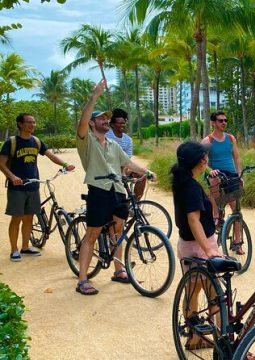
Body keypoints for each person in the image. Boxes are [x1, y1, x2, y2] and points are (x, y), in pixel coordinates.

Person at [75, 79, 155, 295]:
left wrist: (146, 172)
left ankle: (119, 269)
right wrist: (94, 97)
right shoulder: (86, 141)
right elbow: (82, 122)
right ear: (92, 123)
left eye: (107, 118)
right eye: (101, 117)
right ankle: (83, 279)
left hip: (117, 191)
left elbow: (128, 163)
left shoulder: (113, 145)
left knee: (118, 231)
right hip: (99, 190)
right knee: (92, 234)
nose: (106, 120)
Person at [0, 113, 75, 262]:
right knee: (17, 218)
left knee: (29, 218)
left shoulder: (36, 142)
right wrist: (12, 177)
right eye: (29, 122)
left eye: (34, 122)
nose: (32, 125)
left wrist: (65, 165)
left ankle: (25, 247)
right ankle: (14, 250)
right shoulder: (12, 142)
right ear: (20, 124)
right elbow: (1, 163)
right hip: (17, 187)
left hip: (33, 185)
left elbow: (50, 155)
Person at [171, 141, 223, 351]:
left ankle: (194, 337)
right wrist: (209, 250)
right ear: (201, 161)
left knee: (192, 291)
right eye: (205, 156)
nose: (207, 158)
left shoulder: (183, 181)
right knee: (215, 294)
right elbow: (194, 220)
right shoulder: (191, 186)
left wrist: (212, 187)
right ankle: (220, 338)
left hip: (188, 244)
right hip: (199, 245)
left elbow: (207, 211)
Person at [201, 110, 243, 254]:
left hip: (230, 174)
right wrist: (210, 171)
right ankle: (216, 216)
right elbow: (202, 163)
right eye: (220, 120)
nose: (224, 123)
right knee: (214, 183)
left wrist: (239, 175)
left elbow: (237, 158)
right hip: (216, 174)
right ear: (213, 123)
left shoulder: (230, 139)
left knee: (236, 210)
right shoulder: (208, 141)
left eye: (225, 120)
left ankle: (237, 242)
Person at [106, 108, 146, 200]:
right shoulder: (106, 136)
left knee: (142, 175)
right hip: (108, 169)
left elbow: (127, 158)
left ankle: (135, 204)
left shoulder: (128, 139)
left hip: (123, 167)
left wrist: (123, 171)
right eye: (119, 123)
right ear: (112, 124)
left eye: (123, 123)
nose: (122, 125)